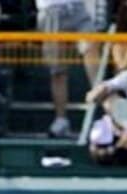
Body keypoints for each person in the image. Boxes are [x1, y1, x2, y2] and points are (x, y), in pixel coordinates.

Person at [38, 0, 99, 138]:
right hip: (50, 11)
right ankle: (61, 120)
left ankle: (108, 110)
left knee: (90, 49)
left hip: (78, 8)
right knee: (57, 71)